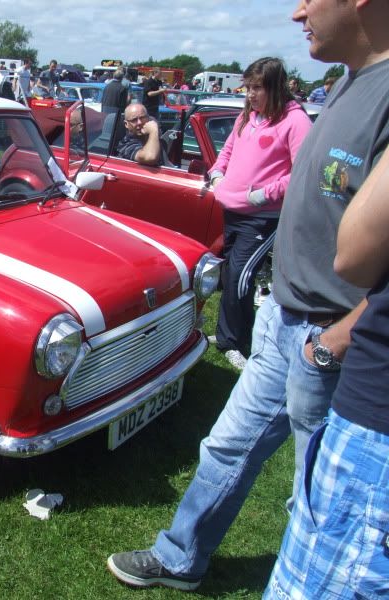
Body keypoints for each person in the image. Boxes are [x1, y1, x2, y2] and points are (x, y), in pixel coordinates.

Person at [106, 0, 389, 591]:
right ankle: (181, 556)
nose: (297, 12)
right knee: (226, 448)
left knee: (316, 499)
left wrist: (336, 341)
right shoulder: (348, 81)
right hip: (284, 322)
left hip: (339, 347)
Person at [264, 141, 389, 600]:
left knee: (314, 574)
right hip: (294, 317)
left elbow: (352, 257)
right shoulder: (343, 93)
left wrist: (332, 342)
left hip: (369, 404)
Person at [208, 58, 312, 370]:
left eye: (257, 88)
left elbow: (301, 171)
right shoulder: (246, 117)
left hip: (262, 217)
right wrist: (216, 173)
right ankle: (227, 334)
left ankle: (238, 342)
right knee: (229, 274)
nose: (250, 94)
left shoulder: (296, 122)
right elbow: (226, 152)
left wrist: (263, 194)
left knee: (241, 278)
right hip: (232, 210)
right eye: (248, 87)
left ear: (275, 87)